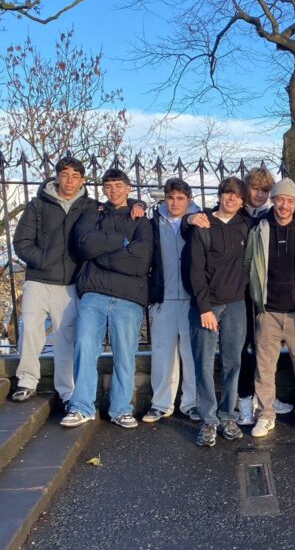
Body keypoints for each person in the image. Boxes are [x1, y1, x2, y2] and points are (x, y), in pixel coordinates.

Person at [62, 169, 154, 429]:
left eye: (118, 186)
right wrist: (122, 243)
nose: (113, 191)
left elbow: (140, 260)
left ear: (128, 188)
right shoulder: (94, 213)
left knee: (125, 355)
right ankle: (81, 406)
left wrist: (101, 254)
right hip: (94, 293)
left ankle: (121, 409)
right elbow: (84, 245)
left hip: (128, 296)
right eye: (108, 186)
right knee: (85, 347)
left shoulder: (141, 219)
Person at [12, 155, 97, 406]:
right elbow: (21, 242)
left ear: (82, 180)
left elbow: (119, 208)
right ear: (57, 177)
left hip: (69, 284)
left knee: (65, 337)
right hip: (38, 280)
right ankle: (27, 381)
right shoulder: (38, 205)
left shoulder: (91, 207)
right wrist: (42, 260)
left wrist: (138, 203)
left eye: (75, 176)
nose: (69, 181)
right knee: (30, 329)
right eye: (65, 175)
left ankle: (67, 390)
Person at [245, 177, 295, 438]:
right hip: (268, 310)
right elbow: (248, 264)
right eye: (280, 200)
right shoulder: (259, 229)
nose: (284, 206)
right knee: (265, 368)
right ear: (273, 200)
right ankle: (265, 415)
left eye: (290, 201)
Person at [183, 176, 251, 447]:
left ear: (242, 202)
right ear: (220, 195)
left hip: (236, 304)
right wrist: (204, 308)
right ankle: (208, 420)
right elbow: (195, 270)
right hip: (206, 306)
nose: (231, 198)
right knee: (204, 364)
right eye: (227, 193)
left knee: (233, 362)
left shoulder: (245, 226)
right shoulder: (203, 224)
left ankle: (228, 416)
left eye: (237, 195)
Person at [143, 179, 201, 424]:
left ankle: (192, 403)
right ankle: (161, 404)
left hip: (191, 298)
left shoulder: (200, 220)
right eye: (170, 198)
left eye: (180, 198)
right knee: (163, 353)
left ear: (189, 200)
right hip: (164, 298)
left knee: (192, 354)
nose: (175, 203)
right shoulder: (154, 223)